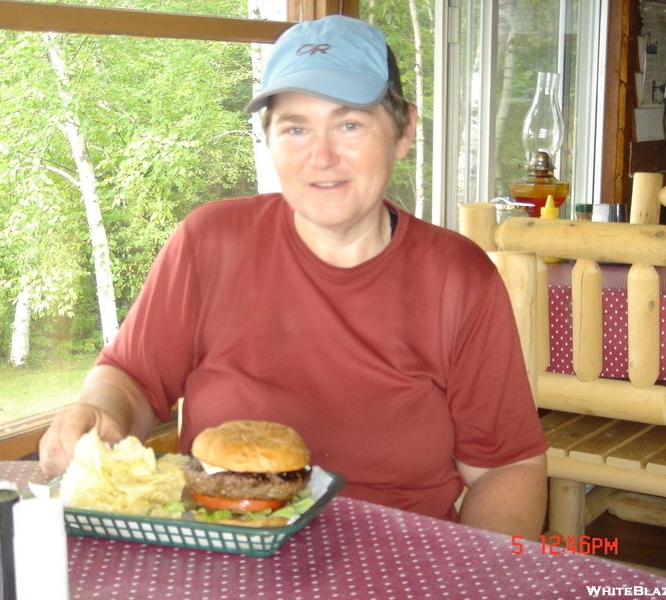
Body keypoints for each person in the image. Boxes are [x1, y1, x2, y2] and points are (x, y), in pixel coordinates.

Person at [39, 15, 548, 540]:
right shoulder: (209, 242)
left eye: (349, 124)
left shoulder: (458, 279)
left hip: (397, 569)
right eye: (295, 128)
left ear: (403, 132)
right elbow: (131, 380)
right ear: (268, 140)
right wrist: (100, 414)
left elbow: (507, 469)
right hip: (221, 553)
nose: (321, 157)